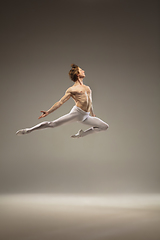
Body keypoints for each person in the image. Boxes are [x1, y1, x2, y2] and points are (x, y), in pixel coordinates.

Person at [16, 64, 109, 138]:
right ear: (77, 74)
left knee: (104, 127)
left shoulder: (87, 88)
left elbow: (90, 101)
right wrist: (48, 111)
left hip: (86, 115)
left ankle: (81, 134)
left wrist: (92, 113)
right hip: (77, 113)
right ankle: (28, 130)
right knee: (52, 124)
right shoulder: (72, 89)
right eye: (81, 70)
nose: (83, 71)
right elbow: (60, 102)